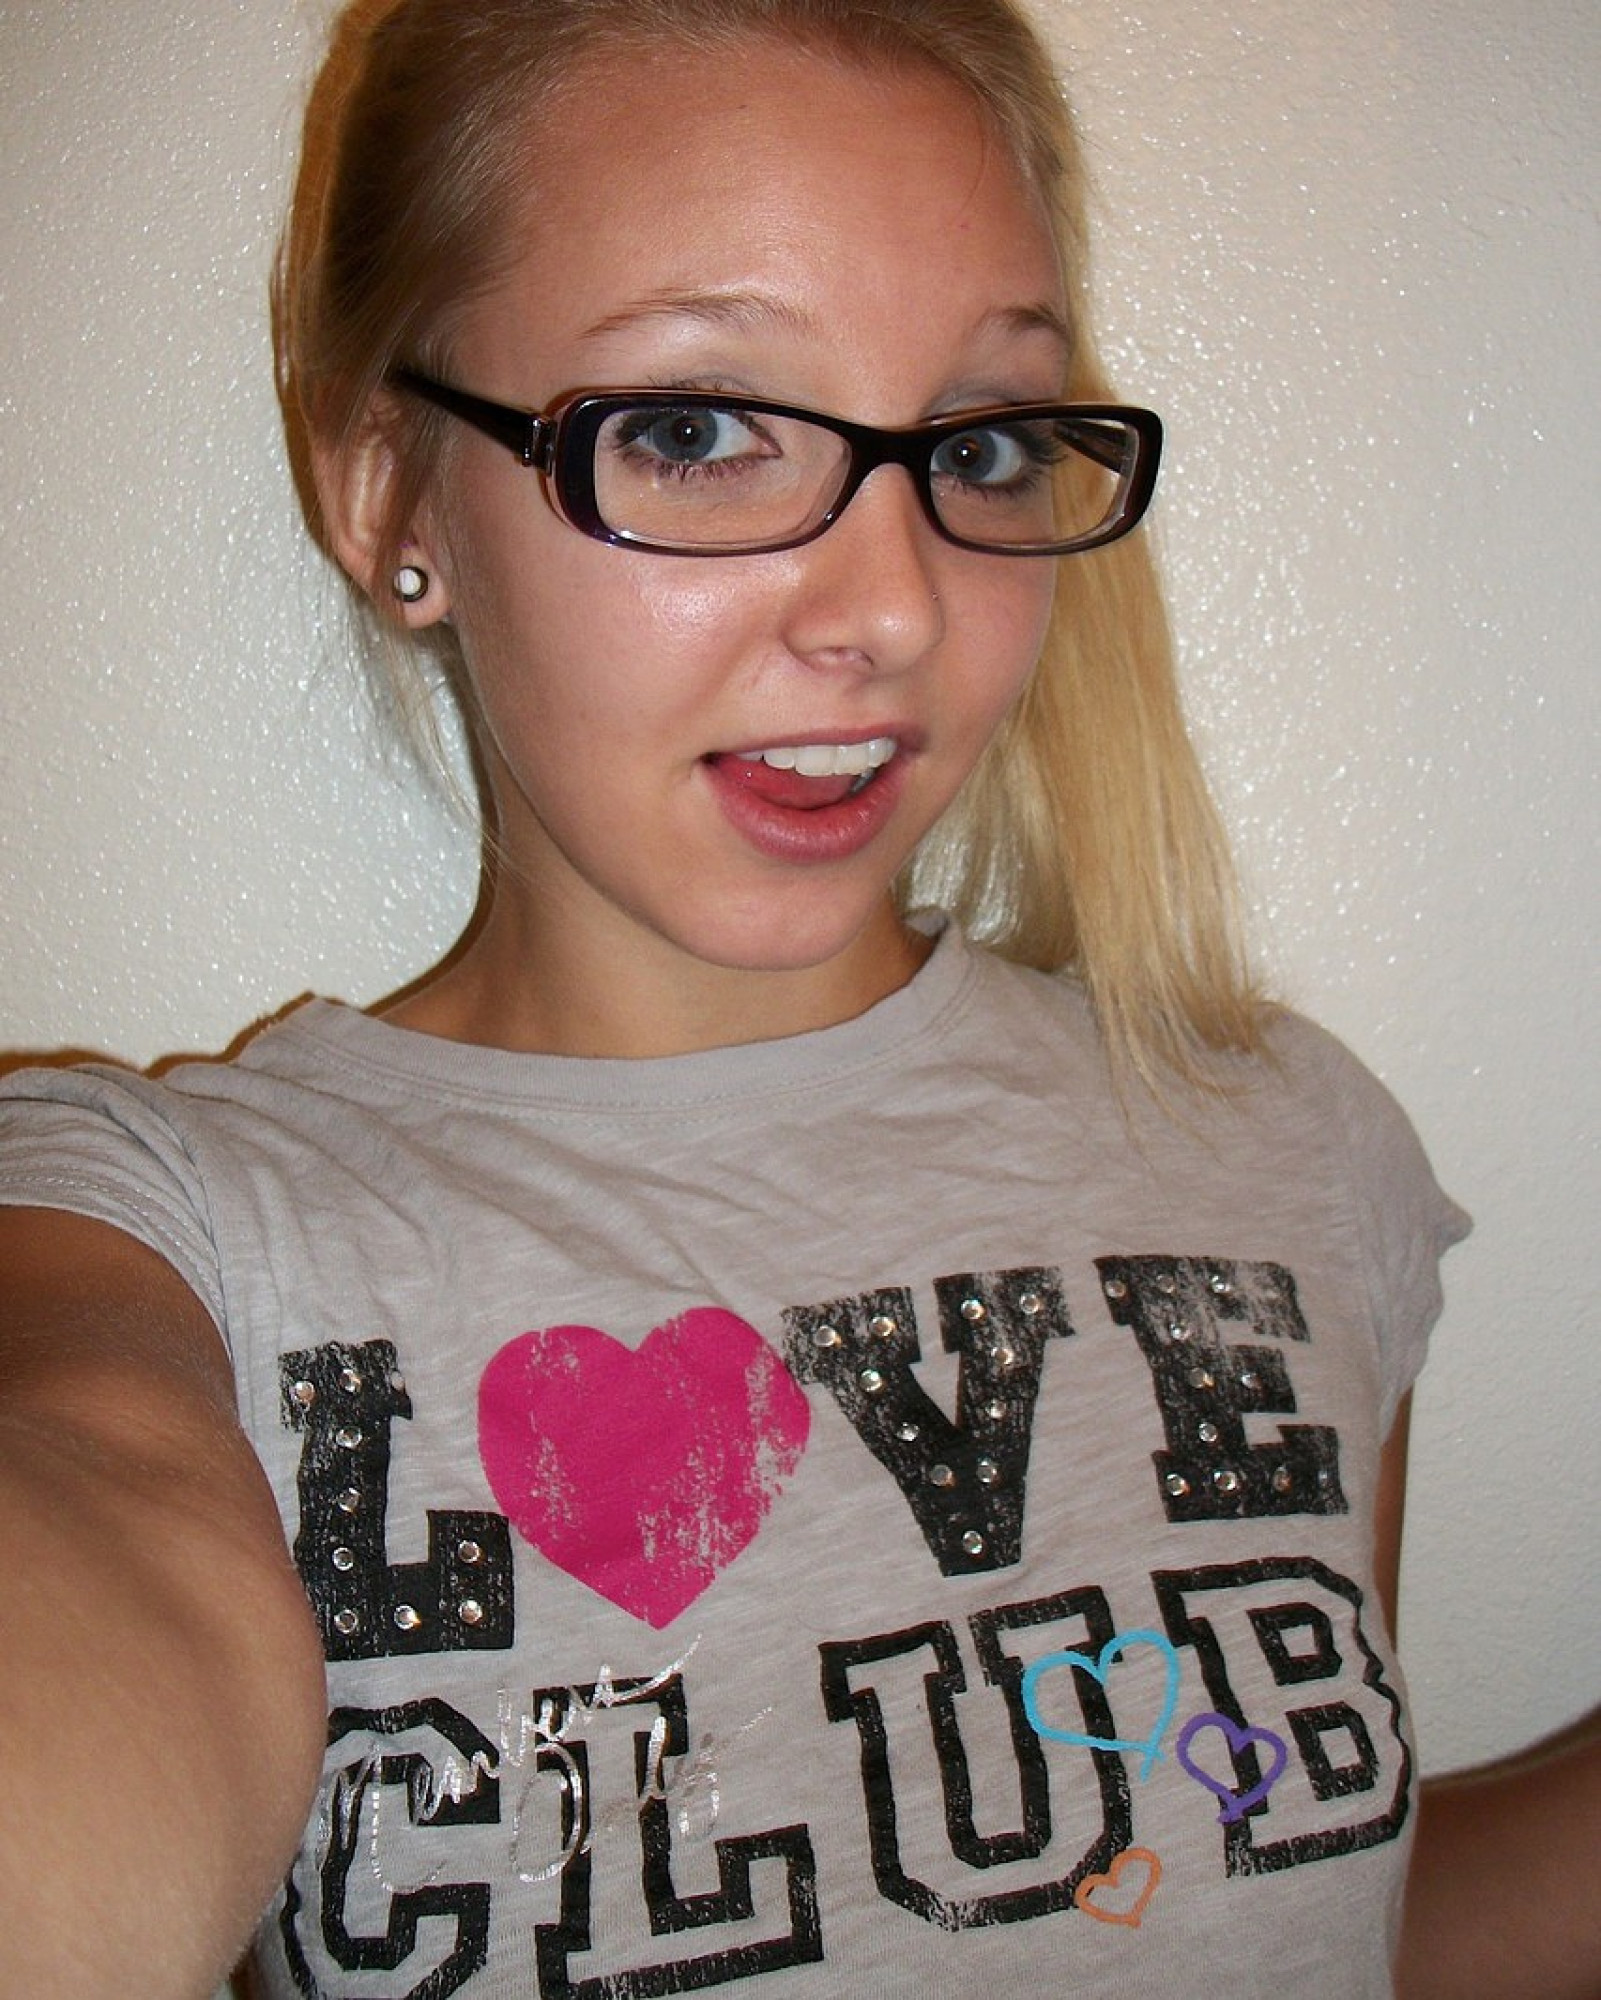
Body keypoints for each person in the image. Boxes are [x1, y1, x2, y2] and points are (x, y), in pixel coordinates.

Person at [0, 1, 1591, 1996]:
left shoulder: (1277, 1142)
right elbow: (89, 1547)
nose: (896, 608)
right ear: (390, 490)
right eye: (693, 428)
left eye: (979, 444)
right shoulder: (155, 1222)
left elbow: (1285, 1893)